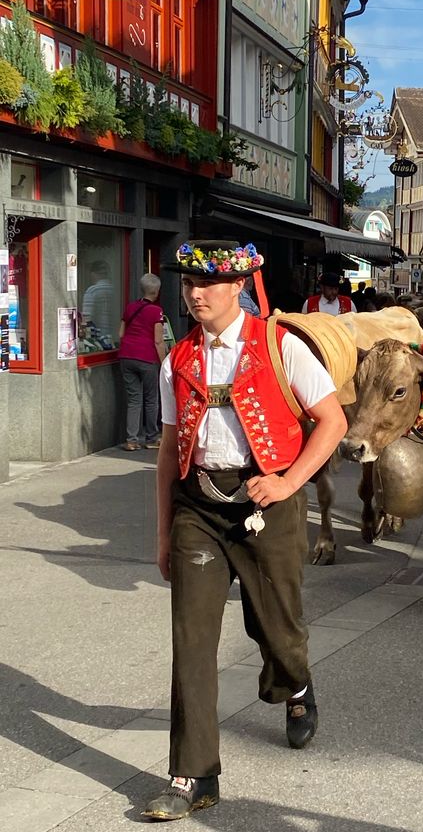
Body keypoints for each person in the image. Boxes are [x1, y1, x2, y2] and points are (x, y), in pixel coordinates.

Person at [143, 241, 347, 822]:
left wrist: (287, 483)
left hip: (268, 505)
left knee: (277, 628)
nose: (195, 293)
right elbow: (165, 450)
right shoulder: (176, 359)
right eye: (188, 284)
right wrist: (163, 533)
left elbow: (333, 421)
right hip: (197, 507)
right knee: (192, 640)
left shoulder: (282, 347)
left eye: (208, 284)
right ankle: (193, 776)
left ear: (240, 288)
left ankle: (296, 685)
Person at [118, 273, 166, 451]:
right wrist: (164, 363)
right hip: (147, 358)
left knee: (134, 400)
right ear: (157, 291)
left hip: (126, 356)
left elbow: (121, 334)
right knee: (151, 399)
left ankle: (131, 440)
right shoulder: (156, 311)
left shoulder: (130, 307)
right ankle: (151, 438)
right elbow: (158, 340)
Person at [81, 260, 114, 344]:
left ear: (93, 274)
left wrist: (86, 340)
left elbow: (87, 318)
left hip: (99, 338)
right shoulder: (114, 289)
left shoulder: (93, 290)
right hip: (113, 336)